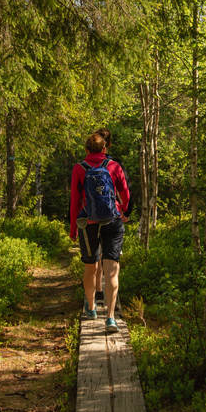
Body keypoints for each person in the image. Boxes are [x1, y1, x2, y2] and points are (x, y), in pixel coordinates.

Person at [70, 132, 130, 333]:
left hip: (88, 222)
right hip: (112, 220)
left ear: (86, 150)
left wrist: (73, 229)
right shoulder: (113, 166)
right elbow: (125, 193)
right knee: (111, 268)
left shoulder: (79, 168)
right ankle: (111, 318)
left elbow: (75, 201)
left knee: (90, 267)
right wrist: (123, 209)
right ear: (104, 149)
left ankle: (92, 307)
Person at [91, 128, 133, 304]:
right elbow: (126, 189)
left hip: (92, 215)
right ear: (109, 145)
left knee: (97, 254)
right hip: (113, 214)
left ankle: (98, 292)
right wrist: (126, 211)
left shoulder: (86, 164)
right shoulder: (116, 164)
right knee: (112, 257)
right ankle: (112, 302)